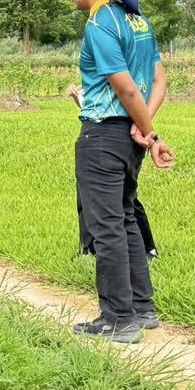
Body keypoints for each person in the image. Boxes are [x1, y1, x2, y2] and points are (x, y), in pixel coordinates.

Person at [49, 0, 176, 344]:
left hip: (103, 135)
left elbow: (123, 86)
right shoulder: (138, 21)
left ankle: (118, 319)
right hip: (129, 137)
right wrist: (144, 131)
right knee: (124, 218)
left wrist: (149, 131)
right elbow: (159, 83)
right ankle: (143, 308)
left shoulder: (101, 22)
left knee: (106, 225)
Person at [68, 85, 161, 261]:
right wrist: (80, 100)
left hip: (114, 138)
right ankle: (90, 249)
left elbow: (116, 111)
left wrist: (147, 131)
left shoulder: (120, 76)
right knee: (95, 197)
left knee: (124, 199)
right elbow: (101, 111)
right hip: (110, 135)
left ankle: (145, 250)